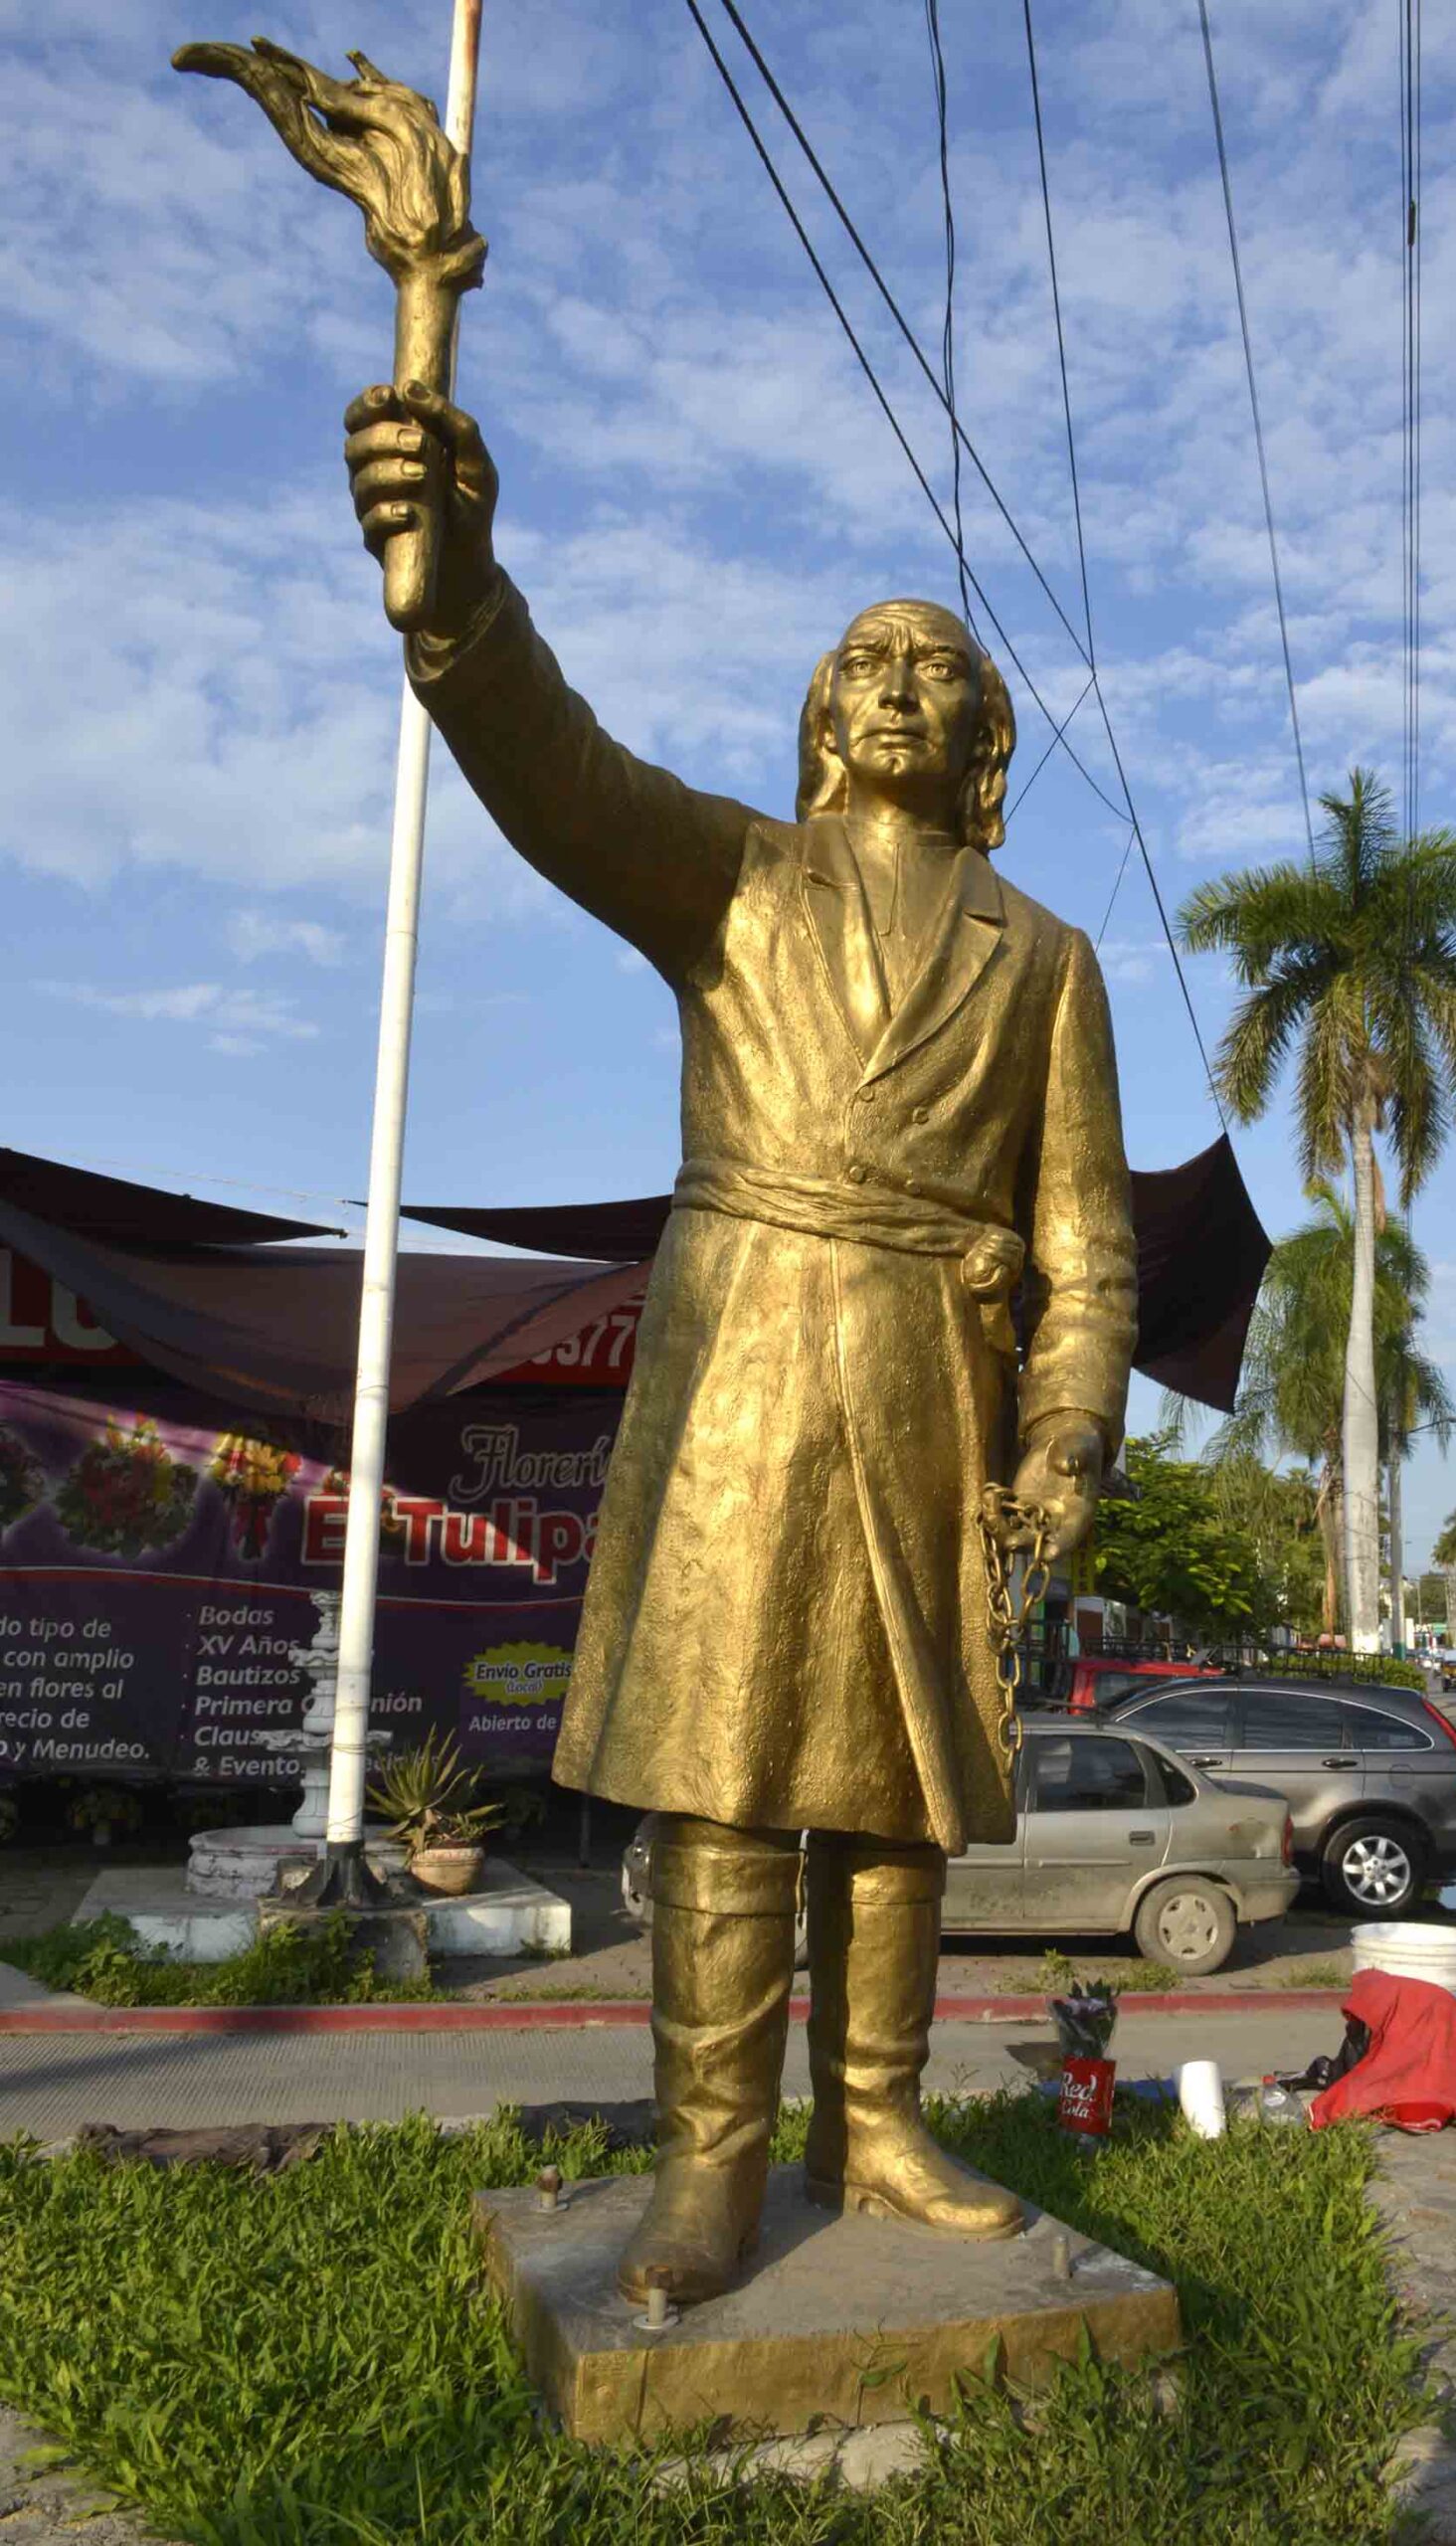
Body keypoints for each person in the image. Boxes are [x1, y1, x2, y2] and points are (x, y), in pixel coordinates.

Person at [344, 379, 1139, 2303]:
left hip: (937, 1382)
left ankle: (876, 2121)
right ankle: (710, 2159)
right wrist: (451, 583)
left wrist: (1065, 1439)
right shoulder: (734, 882)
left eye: (933, 668)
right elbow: (554, 767)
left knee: (897, 1781)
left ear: (986, 743)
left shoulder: (1044, 958)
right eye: (860, 662)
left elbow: (1087, 1244)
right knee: (722, 1768)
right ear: (815, 725)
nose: (892, 683)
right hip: (747, 1358)